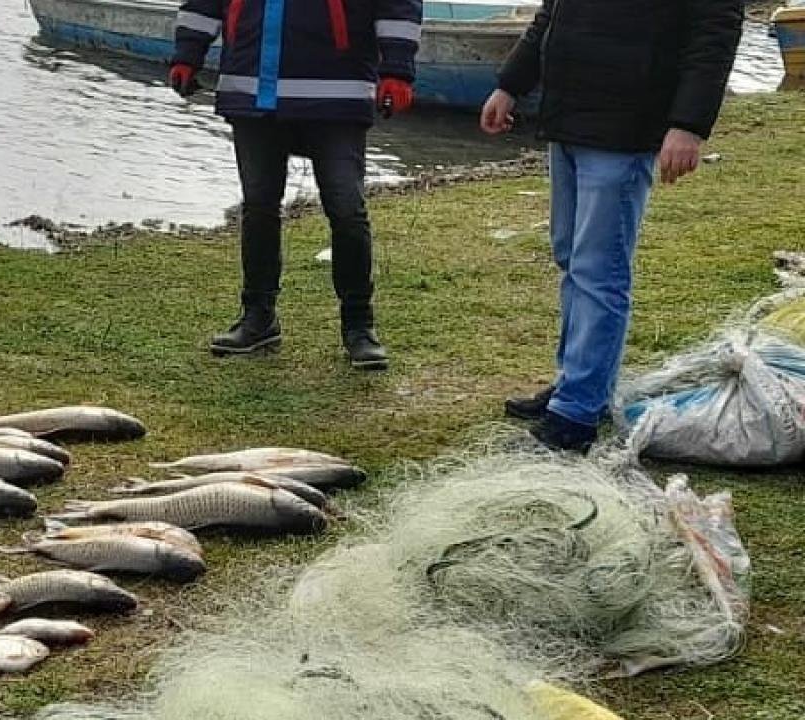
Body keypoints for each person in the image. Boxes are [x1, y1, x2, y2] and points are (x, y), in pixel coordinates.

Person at [480, 0, 743, 452]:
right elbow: (552, 13)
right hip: (569, 120)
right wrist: (510, 85)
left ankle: (576, 414)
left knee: (599, 271)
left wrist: (688, 125)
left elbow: (714, 34)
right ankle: (578, 385)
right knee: (571, 259)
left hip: (627, 127)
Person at [170, 0, 423, 370]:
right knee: (258, 207)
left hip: (337, 93)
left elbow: (398, 4)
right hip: (252, 90)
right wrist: (187, 54)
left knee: (346, 210)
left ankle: (359, 327)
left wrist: (397, 69)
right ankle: (258, 317)